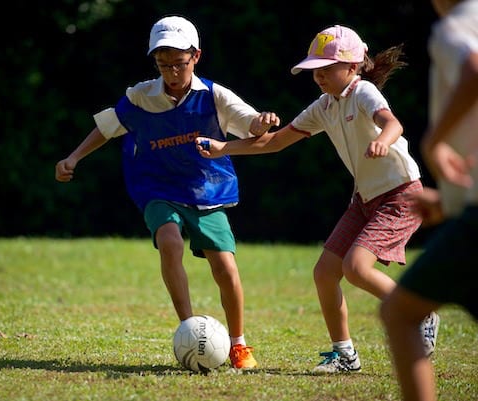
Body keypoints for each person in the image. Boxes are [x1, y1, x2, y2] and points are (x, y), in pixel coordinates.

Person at [195, 24, 440, 373]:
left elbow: (393, 123)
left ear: (352, 68)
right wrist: (223, 148)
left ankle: (419, 312)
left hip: (400, 194)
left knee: (356, 268)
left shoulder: (364, 92)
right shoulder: (325, 106)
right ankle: (345, 356)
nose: (319, 77)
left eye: (325, 69)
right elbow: (276, 141)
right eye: (314, 71)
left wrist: (384, 139)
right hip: (365, 198)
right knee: (325, 273)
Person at [55, 15, 279, 369]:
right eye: (163, 64)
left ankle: (238, 344)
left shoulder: (214, 96)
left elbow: (251, 125)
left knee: (225, 267)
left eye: (178, 63)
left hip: (208, 188)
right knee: (170, 241)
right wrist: (74, 157)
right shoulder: (142, 96)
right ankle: (188, 330)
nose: (171, 71)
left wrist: (262, 122)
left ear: (196, 56)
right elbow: (109, 127)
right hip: (156, 186)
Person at [380, 0, 478, 399]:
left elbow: (474, 69)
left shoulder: (457, 25)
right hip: (467, 209)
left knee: (400, 313)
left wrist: (434, 139)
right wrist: (451, 202)